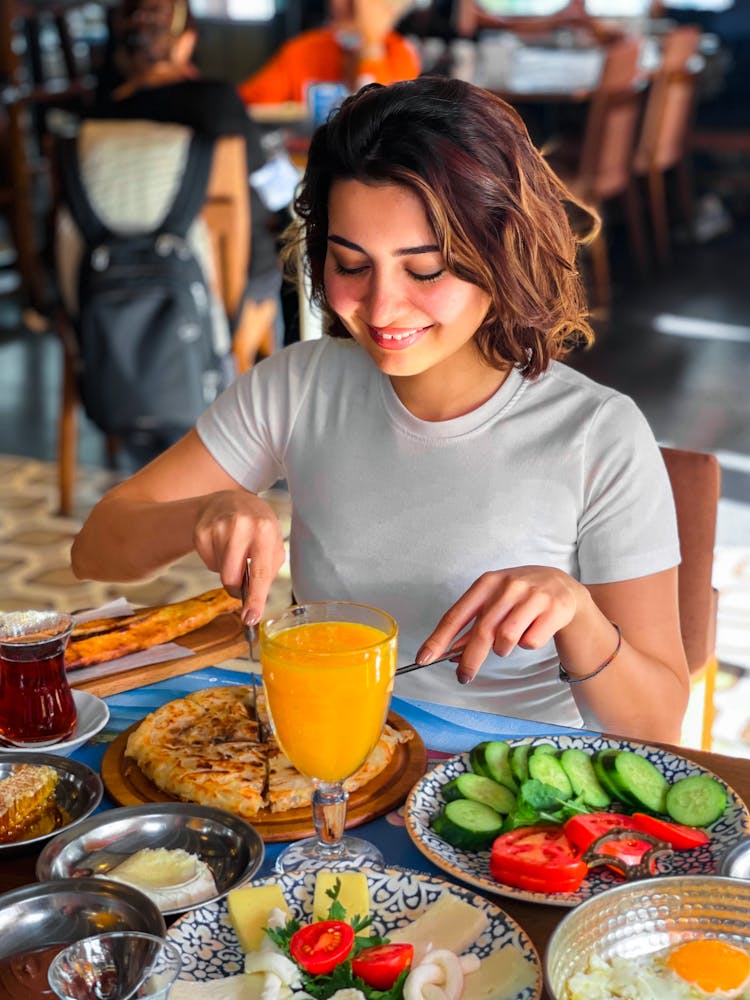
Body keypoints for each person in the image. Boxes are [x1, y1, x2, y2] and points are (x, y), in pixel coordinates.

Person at [71, 77, 689, 743]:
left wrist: (578, 615)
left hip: (512, 793)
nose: (383, 308)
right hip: (334, 753)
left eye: (424, 271)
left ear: (501, 252)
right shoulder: (301, 386)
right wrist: (204, 511)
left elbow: (657, 721)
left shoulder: (596, 433)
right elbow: (98, 548)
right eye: (350, 263)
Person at [93, 0, 282, 369]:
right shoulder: (216, 100)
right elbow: (271, 187)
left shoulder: (96, 122)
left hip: (116, 298)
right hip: (224, 295)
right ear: (184, 42)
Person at [237, 0, 420, 106]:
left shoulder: (399, 54)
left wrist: (370, 46)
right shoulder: (304, 50)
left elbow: (380, 120)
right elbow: (248, 104)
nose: (338, 4)